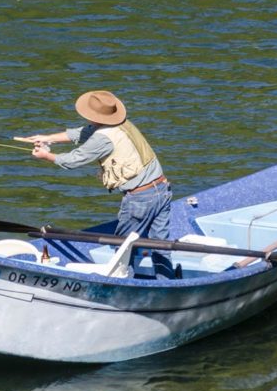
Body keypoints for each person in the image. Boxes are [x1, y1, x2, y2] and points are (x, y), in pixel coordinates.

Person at [21, 90, 174, 279]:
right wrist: (48, 138)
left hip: (140, 198)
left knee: (123, 247)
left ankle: (126, 286)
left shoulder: (103, 138)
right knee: (161, 245)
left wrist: (46, 155)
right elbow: (83, 133)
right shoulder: (123, 124)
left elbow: (73, 160)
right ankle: (166, 282)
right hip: (162, 189)